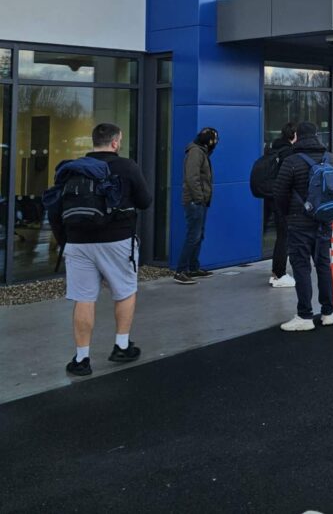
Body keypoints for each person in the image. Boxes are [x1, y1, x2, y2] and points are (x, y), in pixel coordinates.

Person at [48, 123, 152, 377]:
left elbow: (56, 208)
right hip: (117, 241)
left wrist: (65, 241)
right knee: (125, 291)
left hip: (78, 241)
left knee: (84, 298)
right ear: (116, 142)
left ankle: (82, 359)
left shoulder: (73, 169)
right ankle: (121, 345)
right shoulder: (127, 166)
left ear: (94, 142)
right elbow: (145, 201)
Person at [272, 122, 333, 331]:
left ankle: (305, 315)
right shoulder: (331, 158)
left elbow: (279, 193)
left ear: (296, 137)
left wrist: (287, 215)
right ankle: (328, 312)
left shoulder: (292, 161)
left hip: (299, 223)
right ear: (317, 135)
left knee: (301, 267)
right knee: (323, 264)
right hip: (324, 222)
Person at [174, 127, 218, 285]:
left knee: (199, 235)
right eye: (214, 140)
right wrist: (199, 198)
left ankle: (193, 267)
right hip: (194, 201)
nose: (215, 144)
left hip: (200, 201)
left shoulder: (201, 152)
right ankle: (181, 270)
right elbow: (192, 178)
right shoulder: (195, 152)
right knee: (193, 235)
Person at [266, 122, 299, 288]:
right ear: (294, 136)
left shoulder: (274, 149)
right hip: (282, 199)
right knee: (284, 237)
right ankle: (279, 274)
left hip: (271, 196)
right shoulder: (289, 153)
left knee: (281, 236)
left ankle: (275, 273)